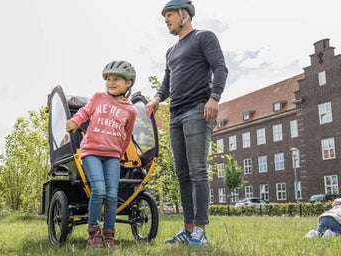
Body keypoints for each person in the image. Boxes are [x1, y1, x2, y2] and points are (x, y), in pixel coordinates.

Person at [147, 0, 229, 246]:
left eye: (169, 15)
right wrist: (155, 99)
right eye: (165, 18)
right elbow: (166, 84)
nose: (166, 21)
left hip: (197, 111)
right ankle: (188, 228)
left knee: (197, 170)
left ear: (185, 14)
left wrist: (214, 98)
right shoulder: (170, 51)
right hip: (175, 115)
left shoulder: (205, 37)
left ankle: (200, 231)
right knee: (182, 174)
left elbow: (220, 68)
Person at [66, 60, 139, 248]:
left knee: (113, 195)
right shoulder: (99, 97)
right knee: (98, 190)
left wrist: (120, 153)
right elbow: (85, 112)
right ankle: (94, 234)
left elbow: (127, 135)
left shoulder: (130, 110)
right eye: (108, 79)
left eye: (116, 79)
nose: (111, 83)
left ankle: (109, 236)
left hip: (113, 156)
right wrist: (75, 121)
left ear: (128, 83)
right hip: (91, 152)